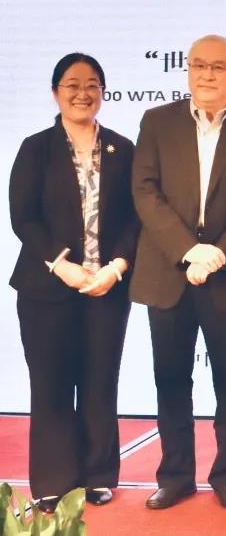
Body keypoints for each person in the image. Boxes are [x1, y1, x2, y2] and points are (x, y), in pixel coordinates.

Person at [130, 34, 226, 510]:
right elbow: (145, 191)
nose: (206, 75)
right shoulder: (157, 121)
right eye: (198, 65)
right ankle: (175, 476)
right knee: (171, 379)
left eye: (218, 67)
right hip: (167, 272)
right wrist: (187, 250)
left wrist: (218, 253)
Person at [9, 53, 137, 512]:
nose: (83, 93)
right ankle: (53, 483)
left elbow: (136, 217)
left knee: (100, 382)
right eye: (72, 84)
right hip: (47, 288)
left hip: (107, 286)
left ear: (103, 91)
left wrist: (115, 267)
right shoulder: (35, 148)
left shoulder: (123, 149)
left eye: (92, 84)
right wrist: (61, 264)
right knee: (51, 384)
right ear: (55, 92)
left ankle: (98, 476)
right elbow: (23, 217)